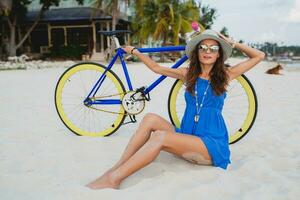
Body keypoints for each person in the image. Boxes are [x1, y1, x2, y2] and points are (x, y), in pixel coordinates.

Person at [86, 29, 265, 190]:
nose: (207, 52)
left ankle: (114, 178)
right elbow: (156, 68)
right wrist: (134, 52)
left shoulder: (226, 75)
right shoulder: (188, 74)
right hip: (187, 137)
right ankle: (117, 167)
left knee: (160, 136)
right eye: (203, 47)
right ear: (197, 52)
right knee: (150, 118)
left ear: (219, 55)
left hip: (210, 146)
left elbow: (259, 56)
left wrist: (231, 42)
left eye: (213, 48)